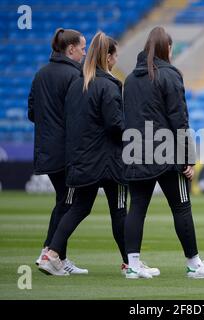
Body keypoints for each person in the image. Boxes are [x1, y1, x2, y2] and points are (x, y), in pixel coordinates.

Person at [38, 31, 159, 277]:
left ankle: (50, 254)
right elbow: (114, 125)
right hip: (109, 161)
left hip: (82, 157)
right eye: (114, 56)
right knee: (118, 209)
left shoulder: (77, 83)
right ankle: (130, 264)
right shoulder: (109, 85)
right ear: (108, 57)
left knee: (79, 207)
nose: (116, 60)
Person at [123, 26, 204, 279]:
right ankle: (194, 264)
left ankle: (133, 265)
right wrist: (187, 158)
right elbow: (179, 119)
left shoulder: (130, 79)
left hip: (136, 149)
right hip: (166, 152)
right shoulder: (170, 75)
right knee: (181, 207)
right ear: (166, 49)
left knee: (136, 207)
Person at [28, 28, 87, 274]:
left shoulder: (40, 74)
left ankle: (56, 256)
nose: (85, 53)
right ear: (71, 48)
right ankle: (49, 254)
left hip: (46, 149)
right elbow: (79, 117)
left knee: (64, 201)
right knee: (71, 203)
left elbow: (32, 113)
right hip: (67, 152)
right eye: (82, 48)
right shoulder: (75, 76)